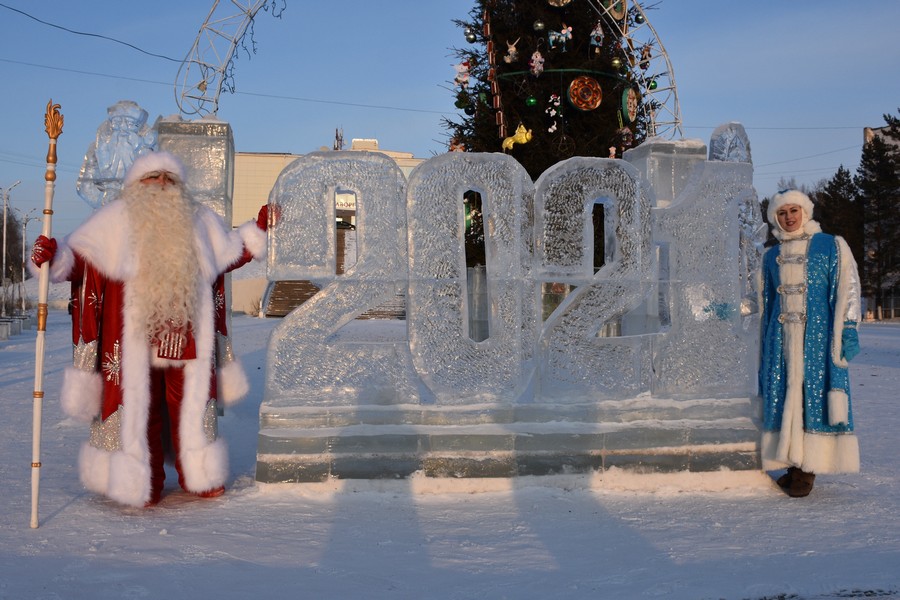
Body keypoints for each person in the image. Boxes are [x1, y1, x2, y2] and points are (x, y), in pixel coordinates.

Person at [30, 151, 269, 508]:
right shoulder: (113, 219)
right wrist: (52, 257)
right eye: (152, 178)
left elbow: (231, 251)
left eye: (168, 179)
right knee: (142, 410)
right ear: (136, 186)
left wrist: (258, 231)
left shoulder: (198, 219)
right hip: (131, 342)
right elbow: (80, 261)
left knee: (188, 404)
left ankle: (200, 475)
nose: (160, 184)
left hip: (187, 335)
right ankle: (144, 481)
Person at [758, 189, 862, 497]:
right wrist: (726, 309)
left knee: (812, 396)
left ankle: (808, 469)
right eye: (781, 213)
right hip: (780, 342)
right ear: (774, 217)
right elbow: (759, 299)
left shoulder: (831, 246)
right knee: (784, 397)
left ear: (805, 211)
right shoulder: (770, 257)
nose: (788, 217)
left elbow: (849, 287)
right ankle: (793, 463)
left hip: (817, 340)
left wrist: (849, 327)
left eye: (793, 210)